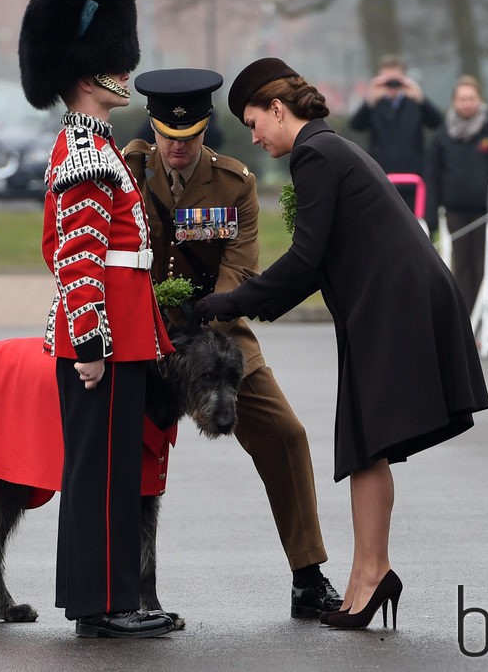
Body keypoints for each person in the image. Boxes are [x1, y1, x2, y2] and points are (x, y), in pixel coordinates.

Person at [195, 58, 488, 630]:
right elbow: (318, 261)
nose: (253, 135)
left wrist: (228, 302)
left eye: (255, 121)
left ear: (278, 110)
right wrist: (245, 300)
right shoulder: (329, 150)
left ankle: (371, 575)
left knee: (366, 440)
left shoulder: (315, 155)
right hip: (389, 301)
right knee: (364, 442)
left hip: (393, 303)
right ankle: (366, 575)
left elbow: (307, 257)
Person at [123, 68, 341, 619]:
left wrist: (203, 334)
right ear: (153, 128)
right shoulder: (126, 171)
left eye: (191, 136)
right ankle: (120, 591)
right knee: (116, 457)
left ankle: (308, 578)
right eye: (169, 137)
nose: (179, 148)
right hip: (139, 332)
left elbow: (239, 271)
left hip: (216, 331)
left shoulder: (234, 182)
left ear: (206, 131)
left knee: (286, 435)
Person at [18, 0, 176, 639]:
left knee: (113, 473)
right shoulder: (86, 154)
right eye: (115, 63)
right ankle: (101, 603)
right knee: (100, 474)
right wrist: (88, 341)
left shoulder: (98, 144)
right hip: (102, 338)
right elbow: (77, 258)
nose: (127, 73)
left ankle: (113, 595)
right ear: (87, 76)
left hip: (122, 332)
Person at [425, 75, 488, 313]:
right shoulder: (442, 134)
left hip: (487, 211)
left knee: (484, 264)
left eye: (471, 98)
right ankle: (464, 316)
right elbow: (433, 174)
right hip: (455, 210)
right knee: (461, 265)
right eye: (462, 99)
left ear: (480, 100)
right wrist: (431, 214)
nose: (467, 103)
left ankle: (484, 316)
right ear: (454, 101)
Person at [348, 54, 442, 214]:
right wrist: (369, 101)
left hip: (413, 178)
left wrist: (420, 99)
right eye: (386, 80)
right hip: (382, 177)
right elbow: (355, 125)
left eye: (396, 79)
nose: (391, 84)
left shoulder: (414, 102)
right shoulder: (375, 104)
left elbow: (436, 122)